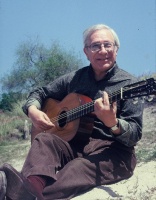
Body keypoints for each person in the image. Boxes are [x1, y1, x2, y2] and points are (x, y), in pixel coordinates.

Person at [0, 24, 143, 200]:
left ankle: (19, 193)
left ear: (116, 49)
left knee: (78, 168)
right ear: (86, 52)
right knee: (44, 139)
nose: (103, 50)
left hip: (114, 153)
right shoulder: (75, 78)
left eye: (108, 45)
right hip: (75, 145)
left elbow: (135, 134)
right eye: (95, 46)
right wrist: (32, 110)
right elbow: (41, 92)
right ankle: (27, 190)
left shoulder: (129, 84)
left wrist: (113, 123)